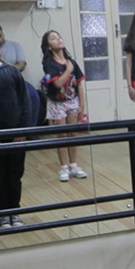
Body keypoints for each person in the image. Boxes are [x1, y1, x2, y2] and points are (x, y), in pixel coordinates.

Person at [0, 31, 31, 228]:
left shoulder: (12, 72)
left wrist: (23, 130)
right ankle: (3, 214)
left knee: (14, 175)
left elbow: (25, 102)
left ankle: (15, 212)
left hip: (15, 136)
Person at [41, 30, 88, 183]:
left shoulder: (72, 61)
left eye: (59, 36)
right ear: (49, 46)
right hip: (57, 103)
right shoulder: (49, 63)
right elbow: (58, 83)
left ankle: (74, 164)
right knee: (61, 135)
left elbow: (79, 83)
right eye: (53, 38)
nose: (58, 39)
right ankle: (63, 167)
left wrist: (82, 104)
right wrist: (68, 70)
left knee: (73, 133)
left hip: (72, 101)